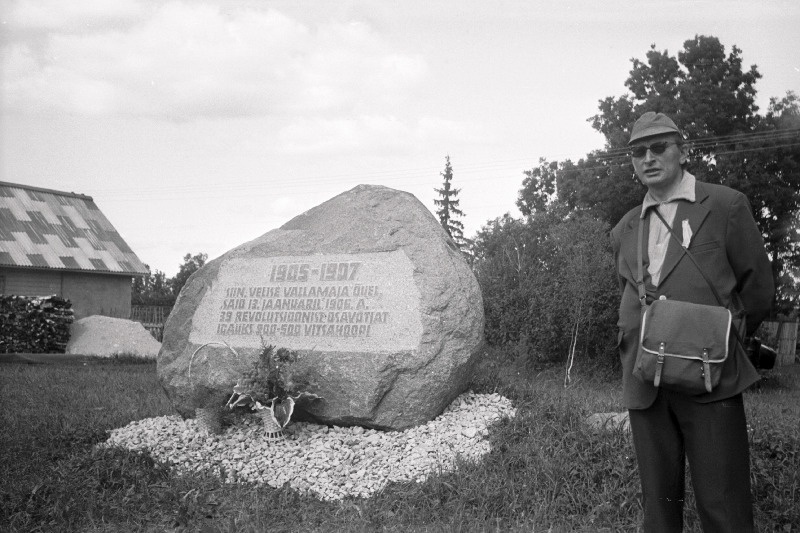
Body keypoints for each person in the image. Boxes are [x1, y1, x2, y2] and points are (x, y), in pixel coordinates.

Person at [610, 111, 774, 532]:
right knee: (658, 511)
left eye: (659, 147)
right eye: (638, 151)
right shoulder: (626, 227)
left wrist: (721, 341)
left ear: (682, 150)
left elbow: (758, 292)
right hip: (644, 380)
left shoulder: (724, 205)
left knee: (724, 507)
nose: (648, 157)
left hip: (709, 376)